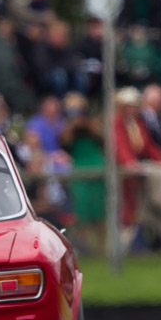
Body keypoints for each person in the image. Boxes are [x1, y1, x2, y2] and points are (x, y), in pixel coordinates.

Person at [113, 87, 161, 250]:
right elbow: (120, 145)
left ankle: (147, 240)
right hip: (123, 173)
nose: (132, 109)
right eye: (128, 105)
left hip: (139, 171)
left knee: (143, 205)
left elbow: (148, 145)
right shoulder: (117, 122)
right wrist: (129, 162)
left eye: (134, 105)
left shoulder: (138, 122)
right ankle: (123, 246)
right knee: (127, 209)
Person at [61, 93, 105, 255]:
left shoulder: (93, 122)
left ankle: (102, 247)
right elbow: (65, 142)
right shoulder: (66, 126)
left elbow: (102, 138)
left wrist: (87, 125)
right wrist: (72, 126)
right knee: (81, 209)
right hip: (79, 166)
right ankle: (85, 247)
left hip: (96, 164)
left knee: (99, 208)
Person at [34, 20, 85, 98]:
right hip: (45, 83)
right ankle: (59, 105)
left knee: (80, 75)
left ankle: (78, 103)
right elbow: (42, 67)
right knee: (59, 75)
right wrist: (63, 67)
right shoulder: (41, 47)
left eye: (62, 35)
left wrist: (61, 66)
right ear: (50, 35)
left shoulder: (68, 49)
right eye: (57, 35)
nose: (60, 38)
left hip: (66, 78)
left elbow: (75, 64)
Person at [75, 16, 104, 100]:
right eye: (93, 27)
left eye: (98, 27)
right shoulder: (81, 43)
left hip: (101, 75)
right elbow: (77, 61)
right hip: (86, 74)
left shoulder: (106, 45)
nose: (96, 30)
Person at [139, 84, 161, 154]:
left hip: (160, 156)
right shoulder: (142, 117)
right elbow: (147, 141)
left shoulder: (159, 116)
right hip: (150, 157)